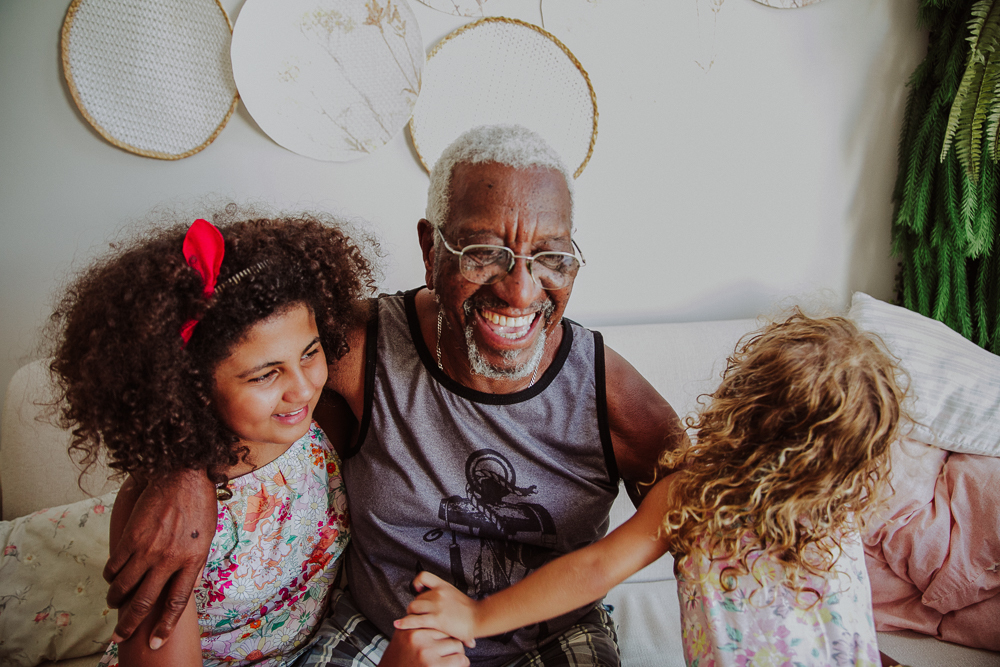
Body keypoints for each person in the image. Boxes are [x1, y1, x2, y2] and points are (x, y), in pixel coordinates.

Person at [102, 125, 685, 667]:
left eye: (550, 256)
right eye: (484, 253)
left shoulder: (603, 388)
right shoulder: (357, 347)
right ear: (431, 249)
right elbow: (209, 374)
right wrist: (177, 472)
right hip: (385, 634)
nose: (520, 289)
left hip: (554, 634)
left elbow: (703, 502)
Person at [394, 312, 906, 667]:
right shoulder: (837, 516)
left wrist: (478, 614)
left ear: (740, 405)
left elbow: (595, 569)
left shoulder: (700, 496)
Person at [46, 215, 377, 665]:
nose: (302, 387)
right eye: (264, 374)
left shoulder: (322, 426)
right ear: (190, 386)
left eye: (310, 352)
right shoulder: (161, 516)